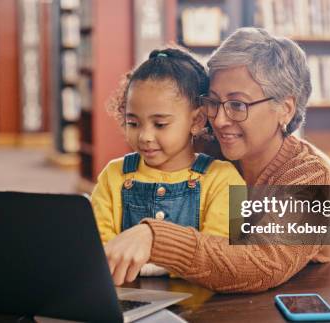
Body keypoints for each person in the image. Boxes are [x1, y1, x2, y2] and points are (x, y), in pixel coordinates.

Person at [103, 27, 330, 293]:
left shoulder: (314, 178)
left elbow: (261, 265)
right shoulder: (207, 145)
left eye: (238, 105)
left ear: (285, 109)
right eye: (213, 102)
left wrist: (155, 237)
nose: (218, 119)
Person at [90, 48, 245, 277]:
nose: (145, 137)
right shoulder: (113, 175)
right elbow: (100, 251)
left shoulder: (225, 179)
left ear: (197, 120)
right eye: (133, 123)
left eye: (160, 124)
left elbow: (219, 257)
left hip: (201, 304)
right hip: (126, 298)